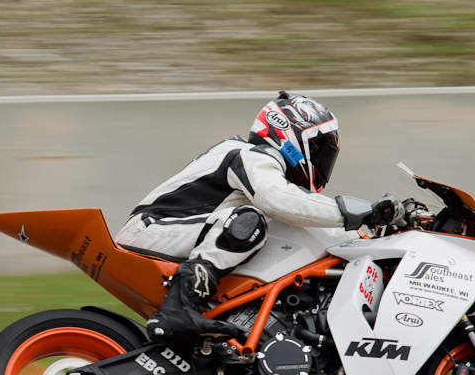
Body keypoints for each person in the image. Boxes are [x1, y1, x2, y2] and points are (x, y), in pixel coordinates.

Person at [115, 90, 404, 343]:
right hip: (153, 229)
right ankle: (176, 310)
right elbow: (277, 201)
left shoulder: (258, 163)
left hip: (178, 232)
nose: (321, 162)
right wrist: (362, 214)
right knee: (248, 222)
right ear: (292, 135)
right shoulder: (250, 154)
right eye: (319, 149)